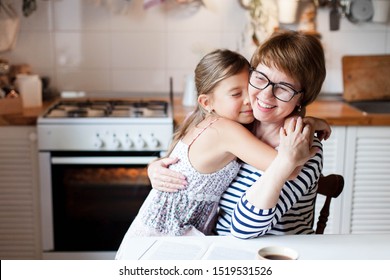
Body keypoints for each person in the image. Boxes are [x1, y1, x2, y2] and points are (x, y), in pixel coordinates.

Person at [116, 48, 316, 244]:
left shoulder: (205, 121)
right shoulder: (225, 130)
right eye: (236, 94)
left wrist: (310, 120)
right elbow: (286, 167)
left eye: (247, 89)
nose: (249, 100)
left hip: (158, 233)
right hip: (164, 240)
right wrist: (305, 124)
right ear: (206, 102)